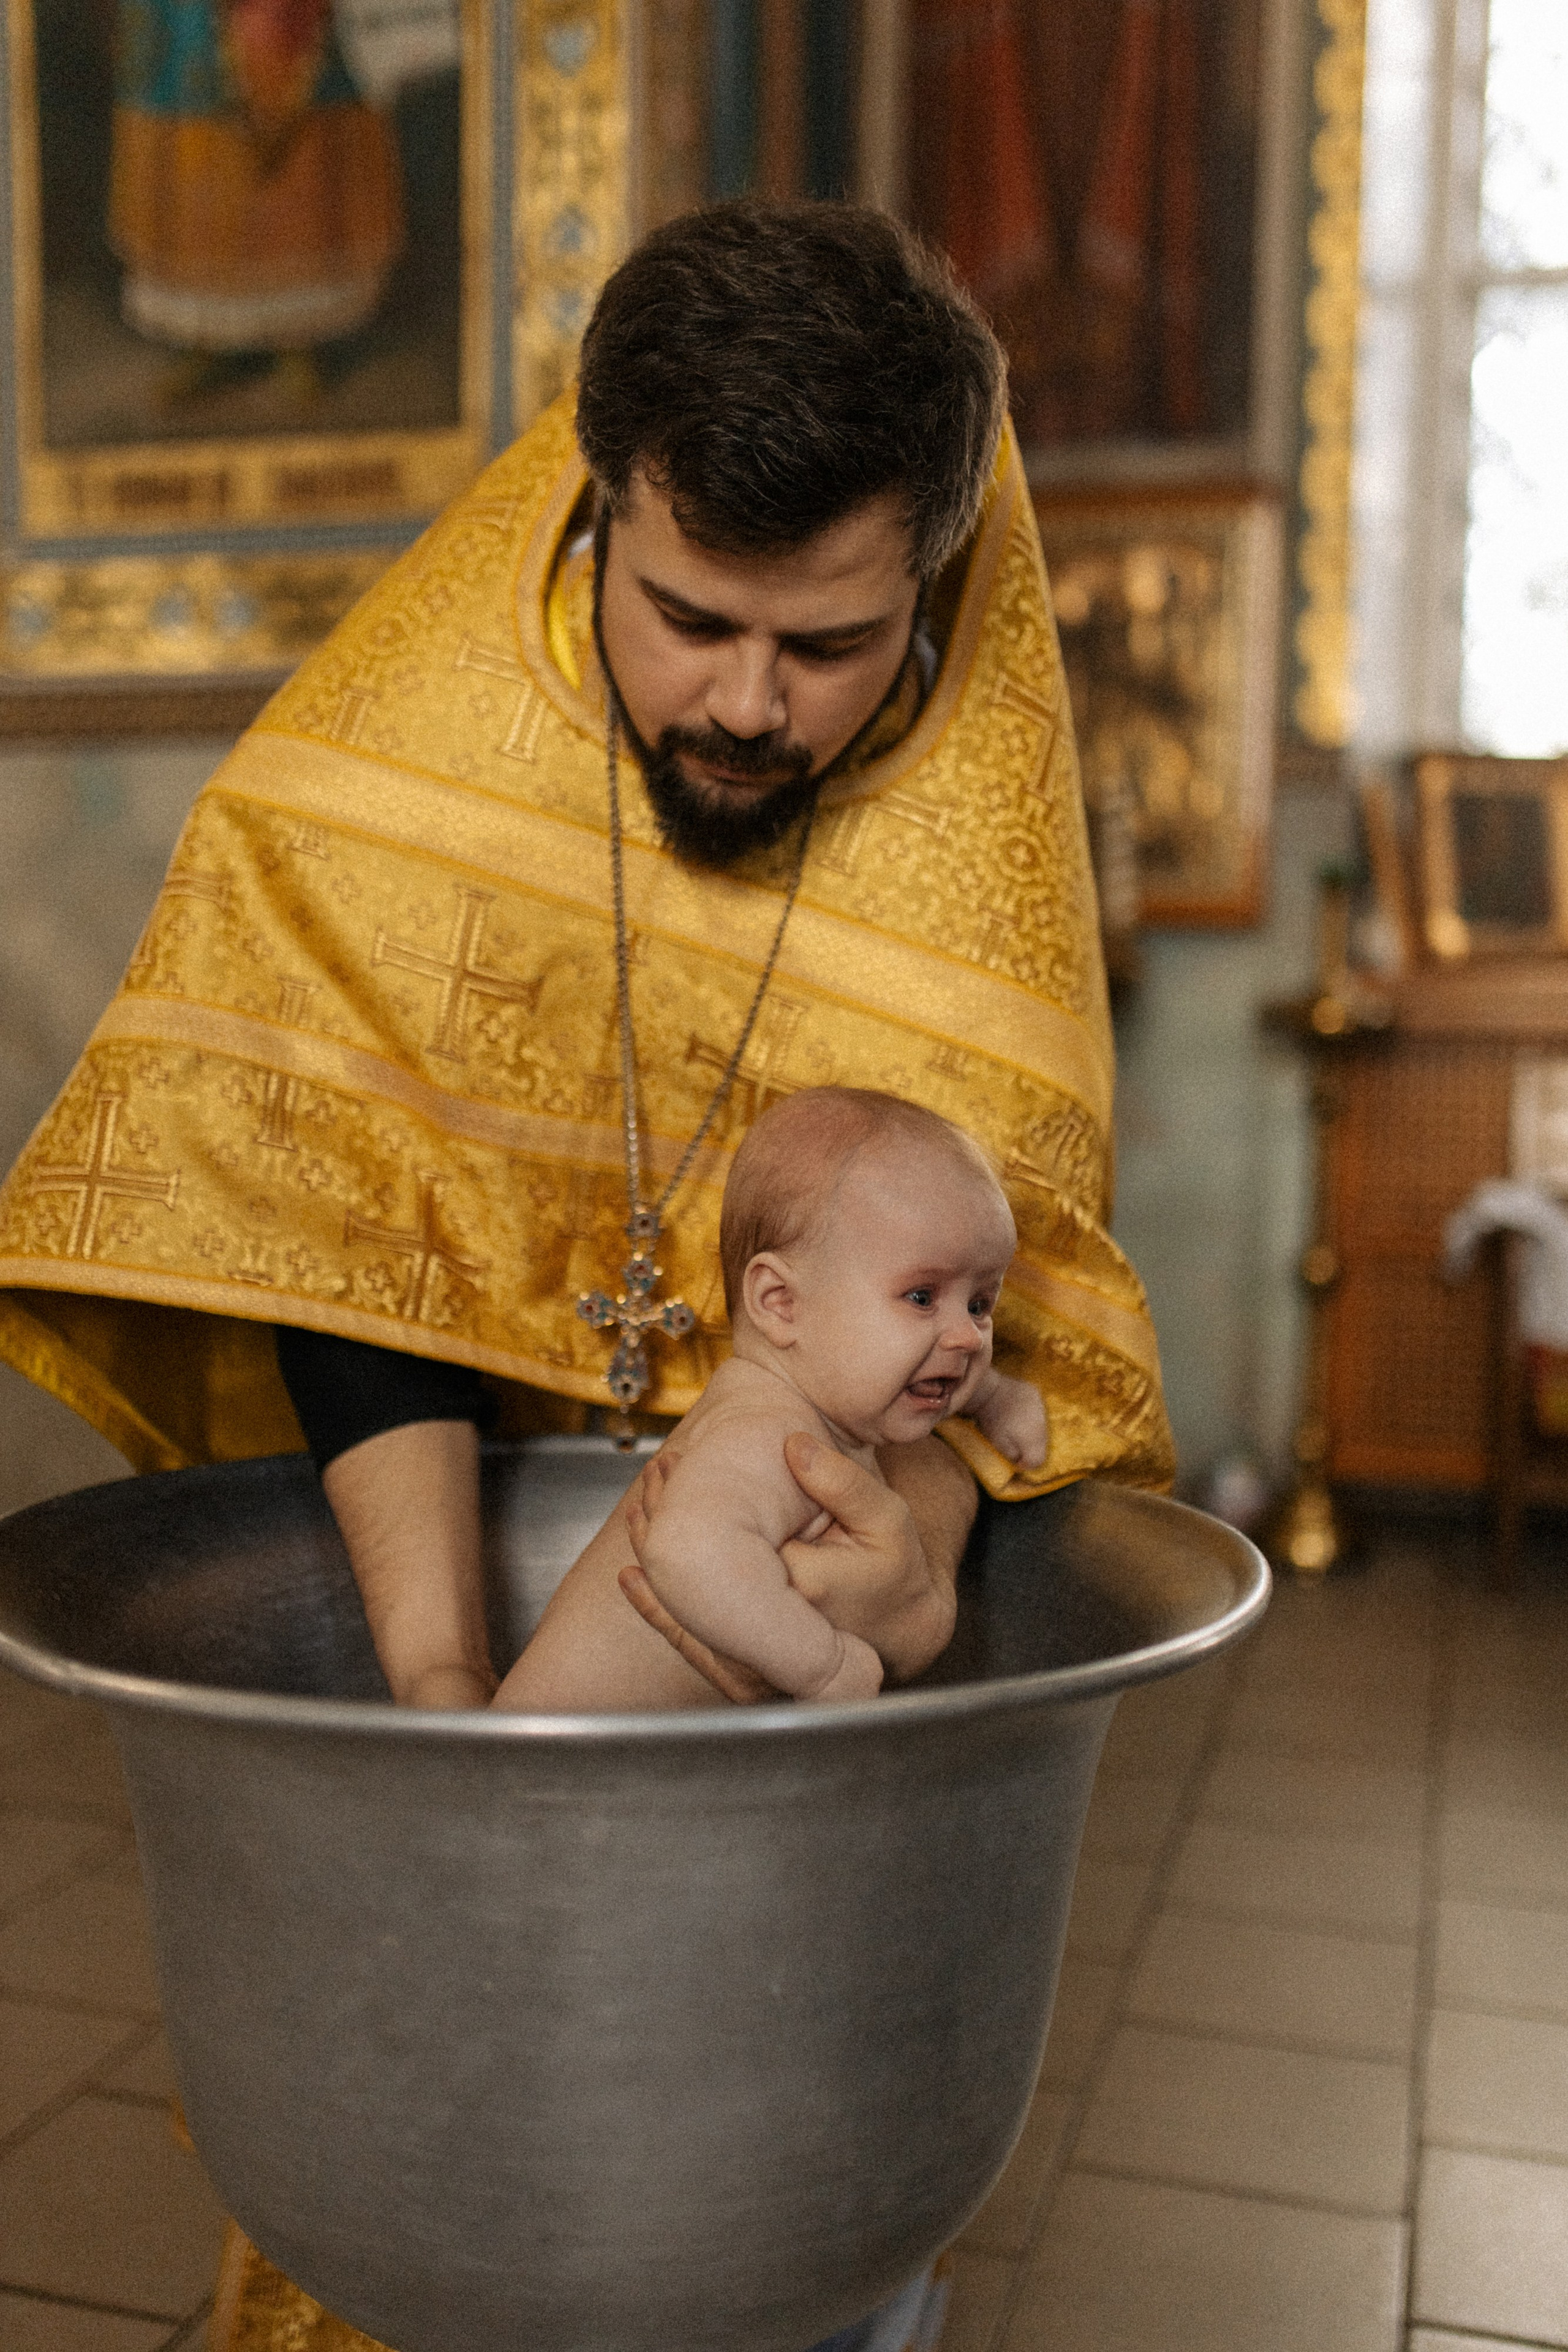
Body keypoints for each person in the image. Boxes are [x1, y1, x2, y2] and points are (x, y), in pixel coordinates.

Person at [0, 198, 1174, 2351]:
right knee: (418, 2175)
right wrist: (446, 1733)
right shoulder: (383, 775)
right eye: (692, 616)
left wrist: (903, 1559)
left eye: (831, 646)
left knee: (781, 2206)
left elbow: (986, 1314)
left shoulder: (973, 849)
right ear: (594, 501)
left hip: (807, 1734)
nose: (746, 702)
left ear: (933, 572)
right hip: (460, 1552)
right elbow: (328, 1226)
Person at [495, 1087, 1049, 1711]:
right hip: (553, 1777)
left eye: (980, 1304)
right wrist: (824, 1666)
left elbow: (927, 1368)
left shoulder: (822, 1391)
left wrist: (995, 1398)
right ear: (780, 1304)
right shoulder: (761, 1435)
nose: (965, 1336)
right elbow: (687, 1551)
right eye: (921, 1297)